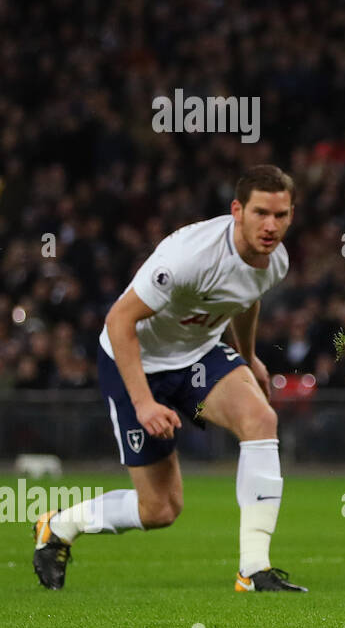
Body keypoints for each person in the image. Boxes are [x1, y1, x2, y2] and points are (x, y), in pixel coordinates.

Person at [33, 165, 305, 593]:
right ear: (237, 210)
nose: (271, 226)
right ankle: (60, 525)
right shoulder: (189, 258)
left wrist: (249, 357)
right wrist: (143, 402)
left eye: (281, 215)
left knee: (261, 420)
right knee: (159, 509)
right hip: (135, 359)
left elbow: (246, 299)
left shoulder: (276, 262)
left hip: (198, 353)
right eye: (260, 213)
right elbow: (120, 320)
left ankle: (254, 569)